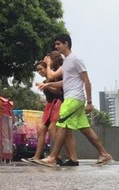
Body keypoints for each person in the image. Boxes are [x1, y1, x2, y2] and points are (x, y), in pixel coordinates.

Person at [35, 33, 113, 166]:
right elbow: (65, 83)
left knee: (60, 125)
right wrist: (48, 84)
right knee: (85, 129)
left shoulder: (75, 59)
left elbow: (86, 81)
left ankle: (53, 157)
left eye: (58, 44)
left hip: (74, 99)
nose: (56, 46)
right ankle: (104, 154)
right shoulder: (66, 62)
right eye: (55, 44)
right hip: (72, 98)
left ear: (66, 44)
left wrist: (89, 102)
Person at [33, 52, 64, 162]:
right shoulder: (45, 81)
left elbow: (59, 92)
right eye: (38, 70)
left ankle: (57, 155)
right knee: (41, 131)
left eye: (41, 69)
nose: (40, 72)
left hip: (57, 104)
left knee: (52, 128)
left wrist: (47, 86)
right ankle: (36, 157)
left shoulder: (54, 78)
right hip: (50, 107)